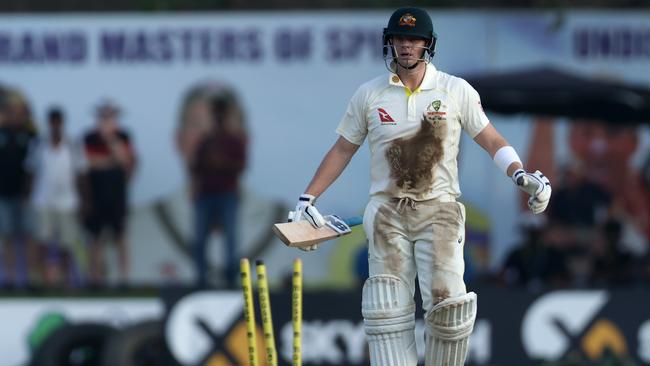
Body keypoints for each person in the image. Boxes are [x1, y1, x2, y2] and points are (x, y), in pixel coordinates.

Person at [287, 7, 552, 366]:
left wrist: (519, 174)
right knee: (386, 313)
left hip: (439, 209)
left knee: (448, 308)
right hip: (386, 213)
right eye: (400, 38)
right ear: (390, 42)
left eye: (414, 39)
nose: (406, 46)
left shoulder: (455, 90)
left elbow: (490, 139)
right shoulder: (369, 95)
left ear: (428, 45)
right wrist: (308, 198)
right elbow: (343, 149)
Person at [186, 87, 247, 288]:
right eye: (215, 114)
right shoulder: (206, 140)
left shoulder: (233, 139)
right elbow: (194, 166)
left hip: (227, 192)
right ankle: (202, 279)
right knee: (200, 239)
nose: (218, 119)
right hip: (205, 194)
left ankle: (230, 279)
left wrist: (220, 163)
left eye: (220, 114)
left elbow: (241, 166)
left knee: (230, 239)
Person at [28, 107, 87, 286]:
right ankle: (40, 281)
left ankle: (65, 280)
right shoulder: (39, 144)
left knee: (67, 244)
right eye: (52, 121)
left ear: (62, 122)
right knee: (42, 243)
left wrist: (85, 200)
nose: (55, 125)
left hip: (67, 202)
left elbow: (82, 173)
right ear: (48, 123)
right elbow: (30, 171)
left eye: (57, 121)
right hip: (43, 201)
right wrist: (27, 195)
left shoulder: (72, 144)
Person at [81, 100, 136, 285]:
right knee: (96, 239)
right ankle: (95, 280)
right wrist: (111, 161)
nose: (106, 121)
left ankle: (124, 280)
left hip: (117, 196)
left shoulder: (123, 136)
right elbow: (90, 162)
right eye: (103, 117)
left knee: (121, 238)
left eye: (110, 117)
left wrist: (111, 140)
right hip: (96, 196)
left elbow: (125, 160)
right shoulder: (89, 137)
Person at [0, 89, 37, 286]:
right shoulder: (2, 132)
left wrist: (28, 192)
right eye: (10, 110)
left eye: (17, 110)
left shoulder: (30, 134)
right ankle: (10, 278)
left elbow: (35, 166)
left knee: (28, 236)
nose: (14, 114)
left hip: (26, 195)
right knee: (7, 236)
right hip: (3, 194)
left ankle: (29, 279)